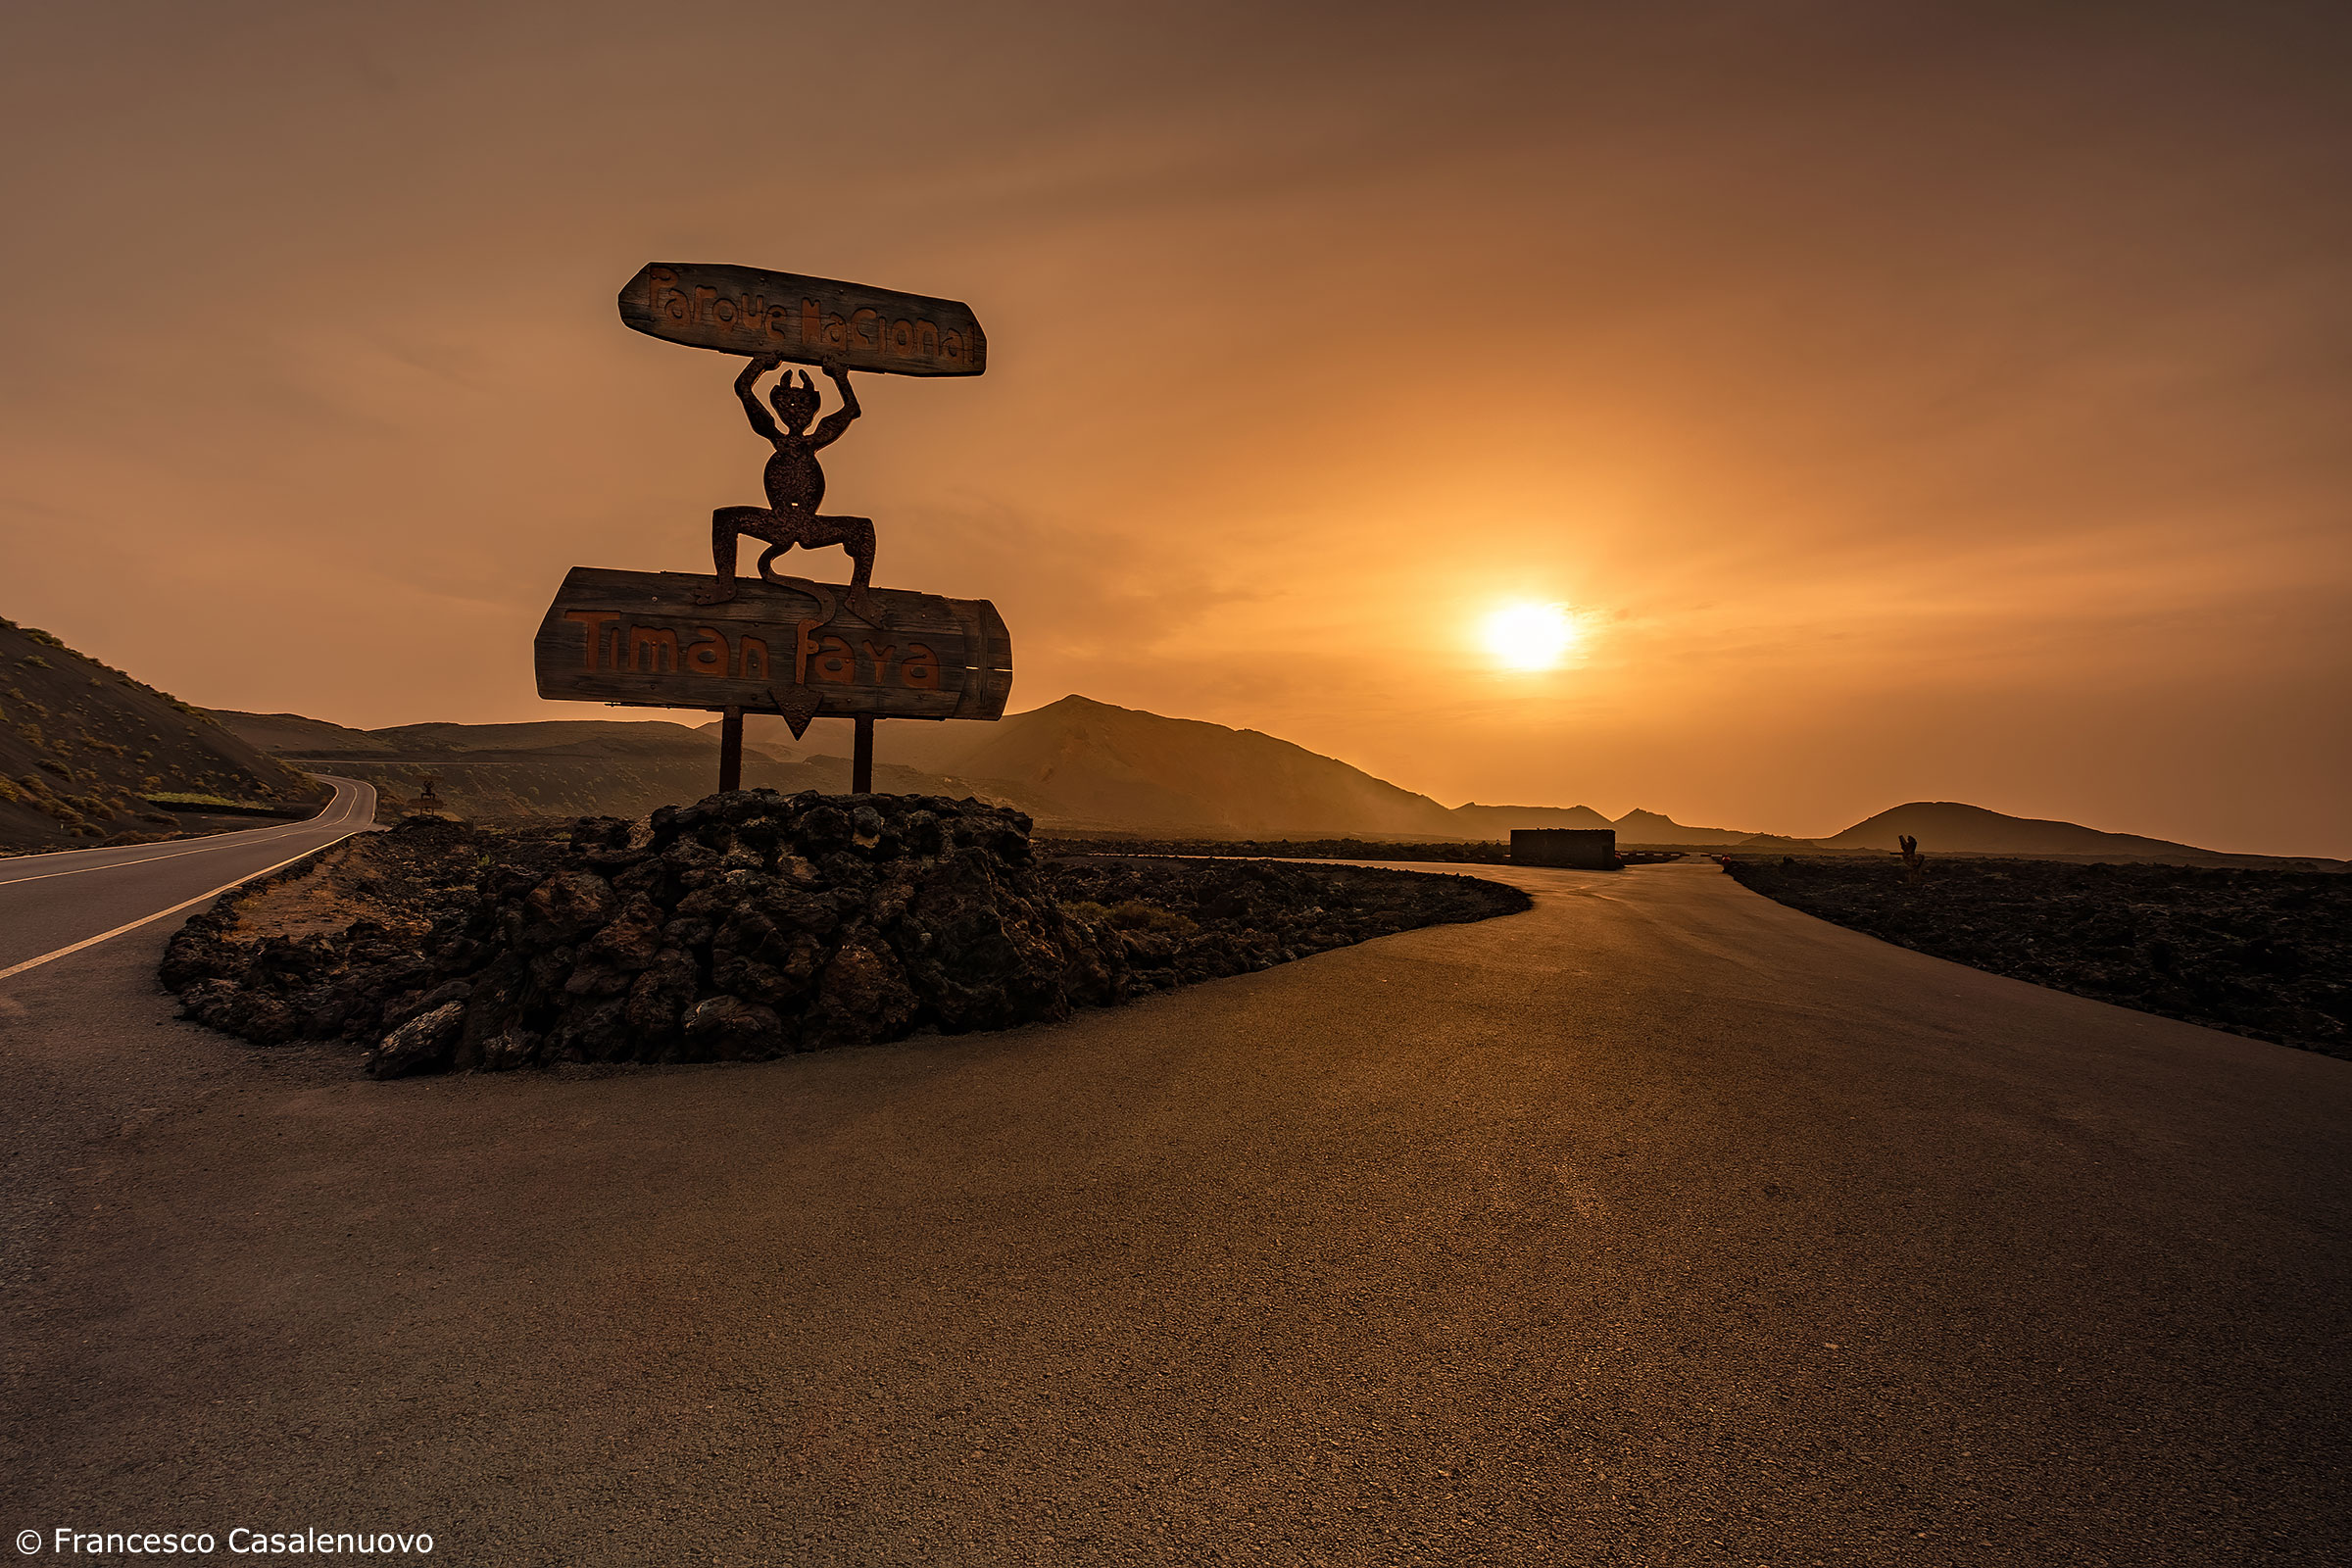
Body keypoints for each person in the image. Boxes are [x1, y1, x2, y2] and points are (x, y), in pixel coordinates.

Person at [696, 353, 878, 618]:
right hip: (777, 519)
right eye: (789, 402)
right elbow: (743, 388)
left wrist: (839, 376)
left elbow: (852, 409)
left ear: (814, 407)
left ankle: (858, 596)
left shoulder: (817, 436)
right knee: (725, 519)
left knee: (862, 530)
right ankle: (725, 584)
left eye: (803, 403)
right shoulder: (772, 433)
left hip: (808, 523)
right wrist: (760, 363)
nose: (796, 409)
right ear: (778, 406)